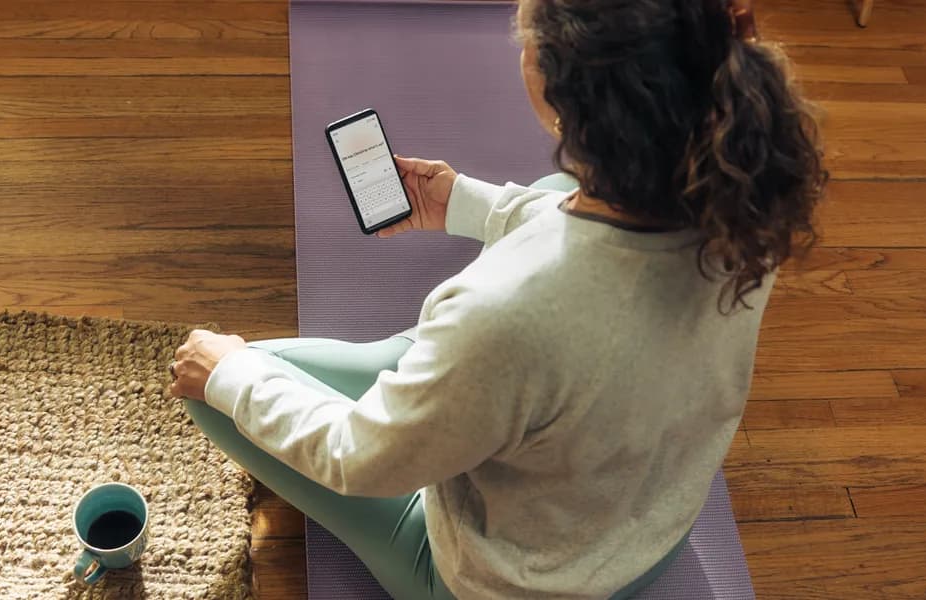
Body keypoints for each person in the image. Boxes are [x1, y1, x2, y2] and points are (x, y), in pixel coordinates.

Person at [167, 0, 824, 597]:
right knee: (551, 191)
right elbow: (594, 256)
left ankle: (416, 377)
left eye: (525, 31)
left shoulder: (500, 310)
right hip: (654, 530)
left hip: (513, 583)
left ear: (559, 93)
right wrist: (463, 202)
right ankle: (432, 376)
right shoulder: (745, 198)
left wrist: (230, 375)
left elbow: (358, 457)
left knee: (213, 386)